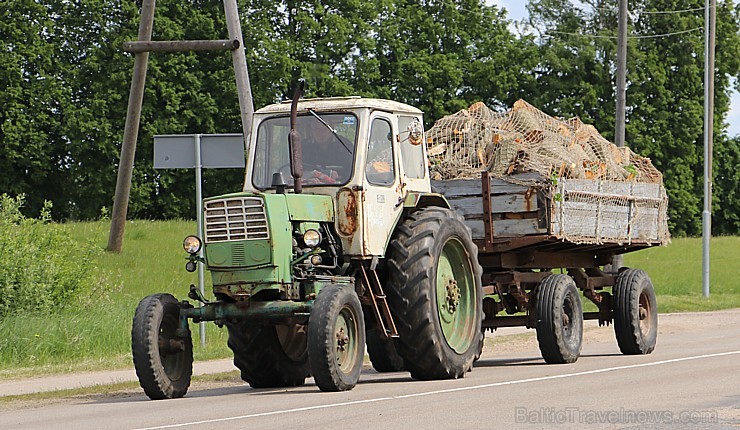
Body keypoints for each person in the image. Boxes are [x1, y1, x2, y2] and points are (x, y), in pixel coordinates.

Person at [299, 117, 354, 184]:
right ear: (311, 129)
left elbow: (351, 173)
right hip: (308, 187)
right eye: (316, 128)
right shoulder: (303, 147)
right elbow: (297, 172)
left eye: (323, 128)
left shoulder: (345, 146)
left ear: (332, 127)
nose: (319, 132)